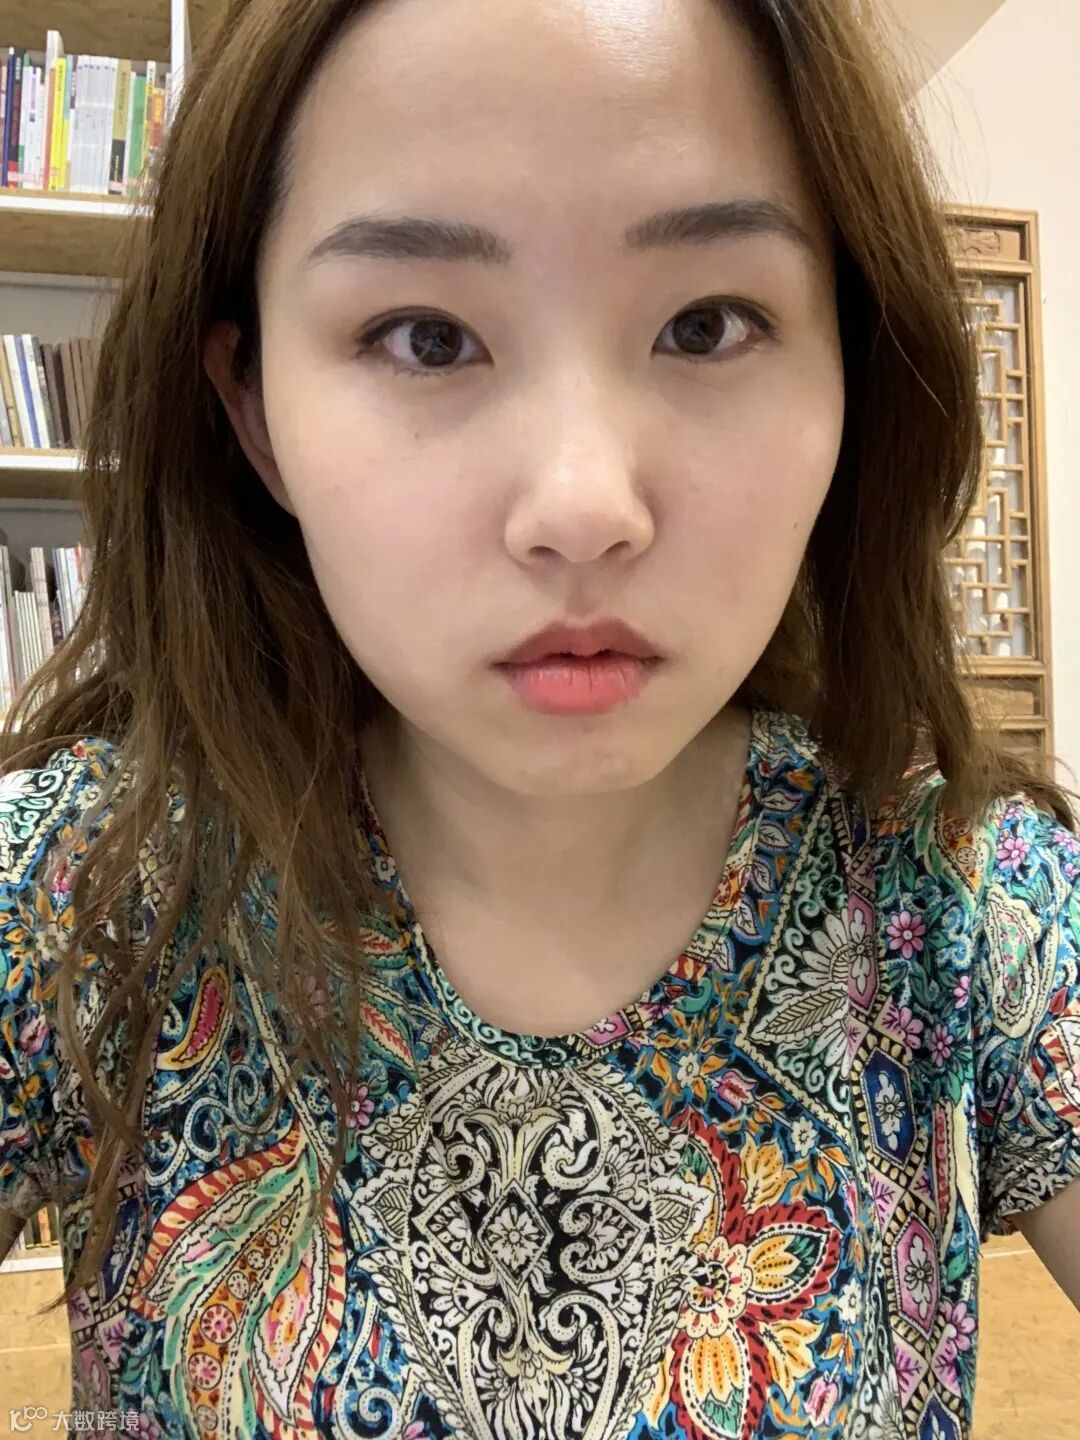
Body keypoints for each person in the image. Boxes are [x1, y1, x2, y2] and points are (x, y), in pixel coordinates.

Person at [0, 0, 1077, 1435]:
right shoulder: (74, 890)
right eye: (427, 337)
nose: (583, 504)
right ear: (255, 411)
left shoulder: (974, 909)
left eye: (706, 325)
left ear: (854, 375)